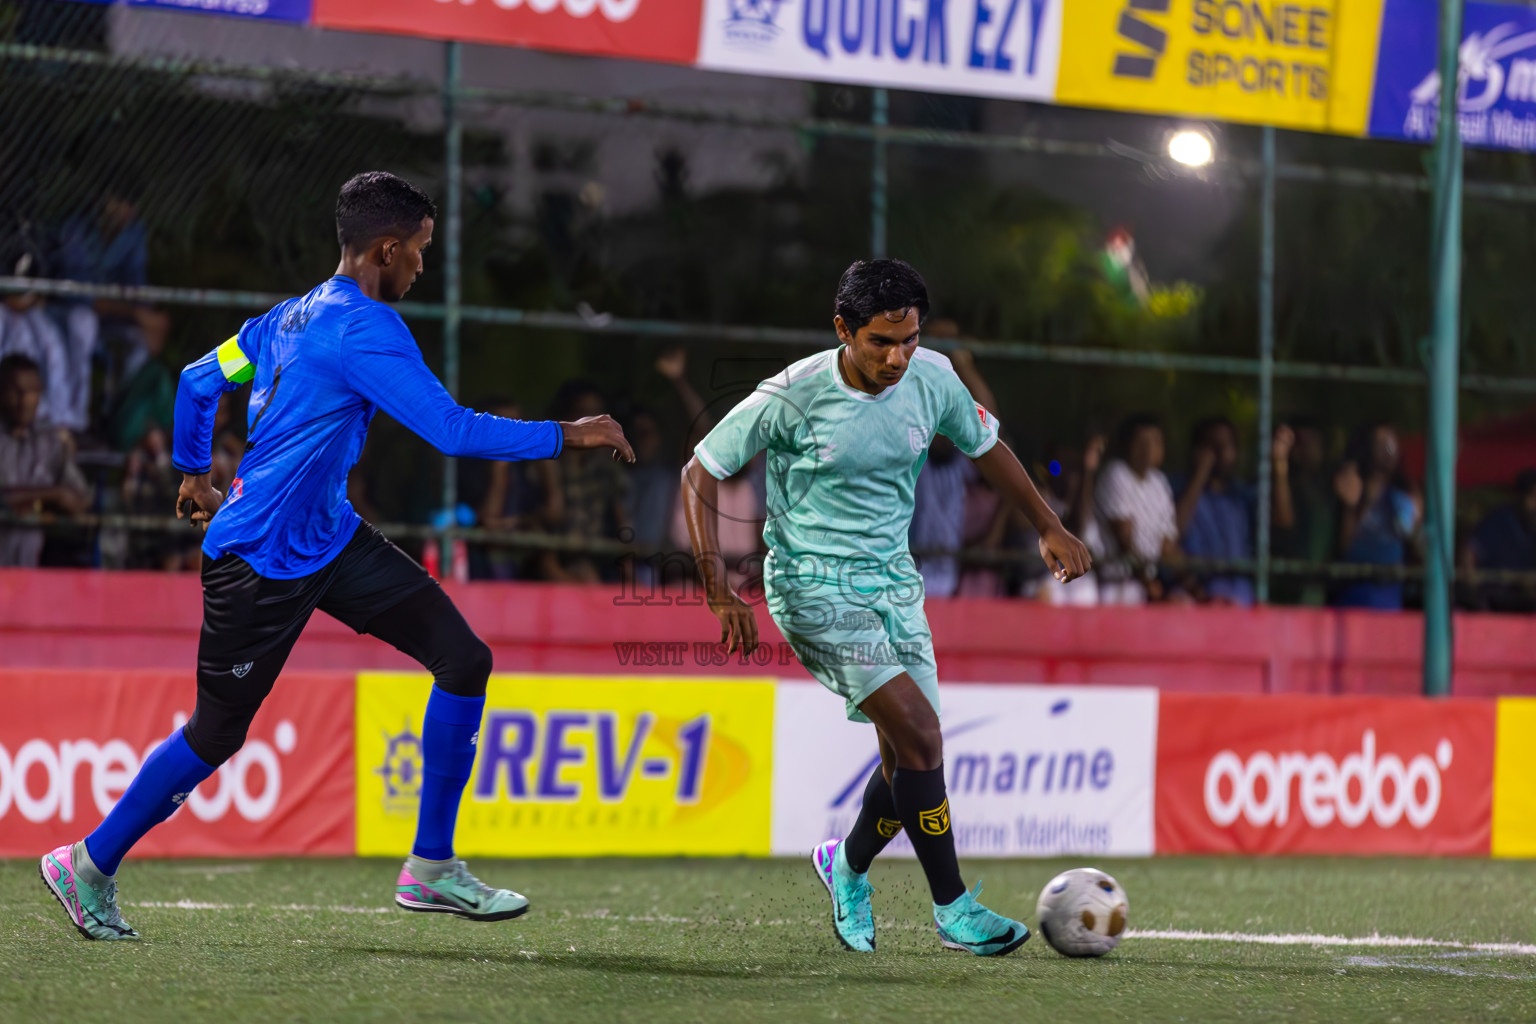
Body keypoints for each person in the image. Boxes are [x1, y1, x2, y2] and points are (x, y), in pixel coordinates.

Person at [38, 172, 634, 941]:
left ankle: (430, 868)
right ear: (386, 249)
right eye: (418, 251)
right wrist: (570, 432)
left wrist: (193, 473)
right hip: (256, 562)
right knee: (216, 735)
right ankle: (86, 864)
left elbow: (200, 379)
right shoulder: (365, 329)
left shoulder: (284, 321)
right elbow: (451, 431)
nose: (422, 266)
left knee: (463, 658)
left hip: (330, 538)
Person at [679, 259, 1090, 957]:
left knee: (910, 758)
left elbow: (987, 449)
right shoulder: (792, 395)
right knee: (923, 733)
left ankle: (846, 866)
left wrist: (1047, 524)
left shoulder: (931, 377)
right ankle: (955, 910)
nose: (898, 357)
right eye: (880, 342)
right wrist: (719, 590)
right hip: (813, 587)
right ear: (843, 330)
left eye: (909, 340)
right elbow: (701, 473)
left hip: (895, 587)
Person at [0, 353, 90, 566]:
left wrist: (32, 501)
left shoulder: (51, 443)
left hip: (37, 572)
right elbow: (62, 495)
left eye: (31, 391)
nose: (24, 400)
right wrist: (51, 495)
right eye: (16, 391)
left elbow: (79, 501)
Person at [1333, 423, 1419, 610]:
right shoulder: (1351, 487)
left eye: (1391, 443)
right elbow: (1343, 547)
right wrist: (1352, 507)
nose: (1388, 450)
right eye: (1381, 443)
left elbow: (1413, 539)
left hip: (1389, 595)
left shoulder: (1402, 497)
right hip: (1352, 593)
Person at [1095, 413, 1179, 603]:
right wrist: (1147, 582)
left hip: (1147, 580)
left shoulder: (1159, 482)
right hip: (1116, 581)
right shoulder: (1116, 473)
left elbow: (1167, 545)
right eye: (1141, 442)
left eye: (1155, 442)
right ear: (1126, 446)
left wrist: (1192, 584)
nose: (1149, 449)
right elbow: (1124, 541)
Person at [1174, 417, 1255, 606]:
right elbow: (1172, 532)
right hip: (1195, 593)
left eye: (1226, 445)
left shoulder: (1242, 496)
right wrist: (1201, 473)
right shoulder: (1179, 489)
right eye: (1212, 446)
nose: (1220, 453)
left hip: (1239, 595)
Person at [1270, 419, 1335, 606]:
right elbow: (1283, 525)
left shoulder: (1331, 490)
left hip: (1319, 603)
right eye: (1298, 442)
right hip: (1283, 599)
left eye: (1310, 442)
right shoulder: (1277, 487)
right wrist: (1279, 464)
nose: (1304, 449)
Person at [1460, 469, 1536, 613]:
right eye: (1533, 497)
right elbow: (1470, 550)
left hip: (1526, 602)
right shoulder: (1499, 519)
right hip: (1495, 599)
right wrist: (1472, 588)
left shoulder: (1532, 526)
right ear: (1520, 497)